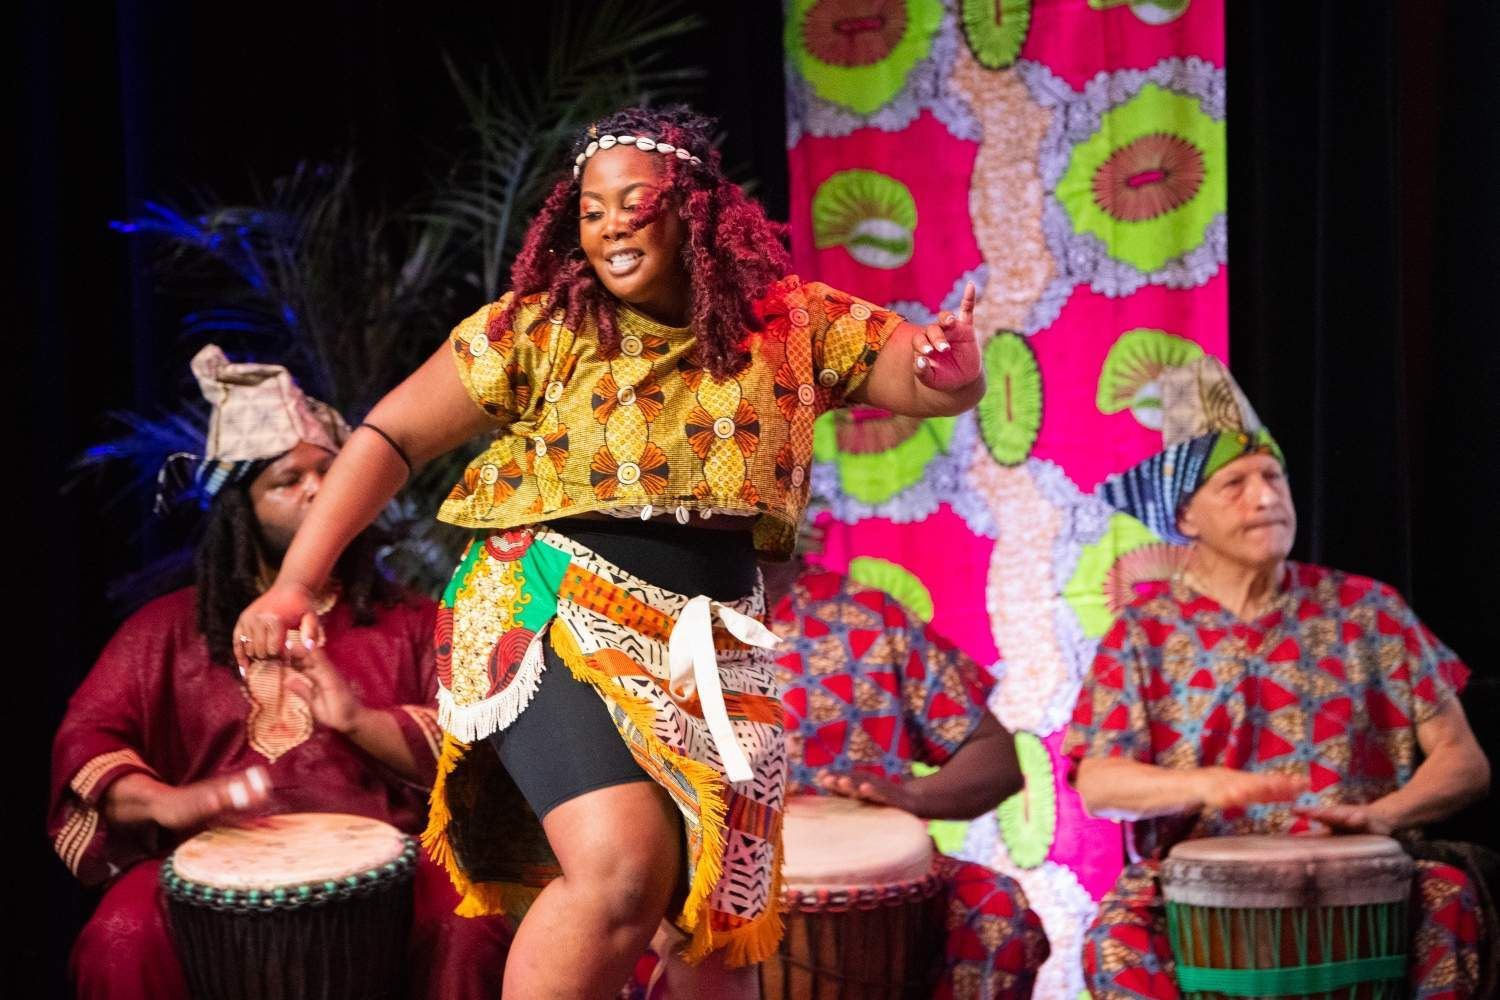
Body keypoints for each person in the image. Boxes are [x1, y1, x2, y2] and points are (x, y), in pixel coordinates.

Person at [233, 105, 986, 998]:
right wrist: (294, 586)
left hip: (717, 641)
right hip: (551, 605)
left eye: (637, 201)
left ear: (698, 208)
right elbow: (389, 437)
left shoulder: (794, 325)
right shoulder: (543, 329)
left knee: (719, 923)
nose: (611, 224)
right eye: (592, 209)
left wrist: (953, 369)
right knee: (624, 869)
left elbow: (923, 376)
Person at [49, 346, 511, 1000]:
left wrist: (358, 720)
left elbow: (485, 752)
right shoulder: (163, 631)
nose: (318, 490)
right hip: (207, 876)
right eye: (287, 480)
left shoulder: (410, 621)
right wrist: (170, 802)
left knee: (470, 924)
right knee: (120, 934)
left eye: (330, 471)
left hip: (397, 872)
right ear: (239, 508)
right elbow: (87, 744)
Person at [1063, 357, 1491, 999]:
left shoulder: (1369, 610)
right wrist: (1207, 785)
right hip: (1197, 889)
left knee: (1449, 896)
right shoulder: (1141, 633)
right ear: (1185, 518)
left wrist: (1383, 816)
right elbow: (1099, 784)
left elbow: (1465, 762)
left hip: (1365, 877)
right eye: (1233, 483)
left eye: (1273, 476)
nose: (1265, 496)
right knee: (1114, 941)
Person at [764, 546, 1050, 999]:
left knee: (994, 910)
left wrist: (910, 798)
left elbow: (995, 758)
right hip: (695, 877)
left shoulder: (868, 615)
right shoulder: (650, 617)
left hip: (875, 882)